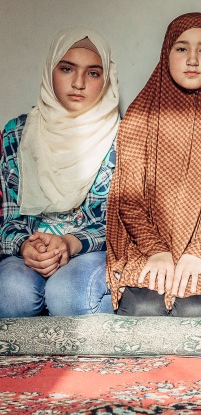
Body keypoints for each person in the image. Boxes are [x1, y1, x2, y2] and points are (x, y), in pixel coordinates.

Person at [106, 13, 201, 317]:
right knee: (145, 306)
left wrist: (198, 252)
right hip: (145, 243)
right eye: (182, 48)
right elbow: (129, 200)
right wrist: (156, 250)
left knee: (195, 310)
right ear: (166, 53)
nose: (193, 60)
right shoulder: (139, 119)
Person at [0, 28, 119, 317]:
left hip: (88, 249)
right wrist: (24, 244)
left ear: (107, 80)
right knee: (12, 293)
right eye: (67, 69)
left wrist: (70, 243)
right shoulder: (18, 132)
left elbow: (119, 223)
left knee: (68, 294)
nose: (78, 83)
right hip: (30, 249)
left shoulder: (122, 137)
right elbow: (7, 217)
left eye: (93, 73)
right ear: (50, 71)